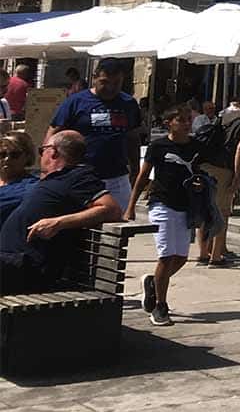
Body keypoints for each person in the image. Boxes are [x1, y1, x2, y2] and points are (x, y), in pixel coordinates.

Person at [0, 131, 121, 294]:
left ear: (53, 151)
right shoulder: (54, 179)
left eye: (42, 151)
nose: (41, 156)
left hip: (26, 266)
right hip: (9, 262)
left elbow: (111, 209)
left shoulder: (77, 176)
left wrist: (58, 222)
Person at [127, 104, 208, 326]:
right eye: (180, 119)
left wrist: (201, 186)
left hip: (186, 205)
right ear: (169, 123)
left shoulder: (196, 146)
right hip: (162, 203)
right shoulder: (159, 146)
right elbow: (143, 176)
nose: (186, 123)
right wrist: (131, 205)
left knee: (181, 257)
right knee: (166, 256)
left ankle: (153, 282)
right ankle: (160, 306)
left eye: (188, 119)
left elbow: (199, 172)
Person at [48, 59, 143, 212]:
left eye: (116, 83)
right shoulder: (75, 102)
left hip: (117, 178)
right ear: (95, 77)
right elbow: (53, 135)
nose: (110, 88)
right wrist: (49, 170)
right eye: (105, 82)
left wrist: (135, 168)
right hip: (80, 177)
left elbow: (133, 137)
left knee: (115, 227)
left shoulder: (129, 104)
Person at [197, 90, 240, 268]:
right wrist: (237, 176)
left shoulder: (231, 115)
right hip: (223, 168)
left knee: (206, 209)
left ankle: (203, 253)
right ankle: (216, 256)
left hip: (205, 163)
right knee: (222, 212)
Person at [0, 133, 38, 230]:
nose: (7, 159)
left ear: (27, 157)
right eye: (2, 154)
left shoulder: (31, 186)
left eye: (14, 155)